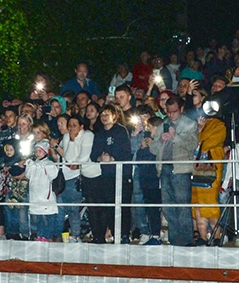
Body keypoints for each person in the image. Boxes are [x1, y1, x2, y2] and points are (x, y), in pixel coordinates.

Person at [154, 95, 199, 246]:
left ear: (181, 109)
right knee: (167, 206)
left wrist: (176, 137)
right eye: (168, 112)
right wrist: (160, 140)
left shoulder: (190, 124)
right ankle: (174, 239)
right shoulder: (162, 125)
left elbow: (192, 145)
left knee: (182, 205)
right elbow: (153, 149)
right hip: (164, 168)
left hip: (181, 169)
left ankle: (186, 240)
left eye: (174, 111)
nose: (171, 115)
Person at [89, 104, 133, 243]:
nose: (104, 117)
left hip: (122, 175)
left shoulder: (121, 131)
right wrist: (100, 158)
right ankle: (114, 233)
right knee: (109, 206)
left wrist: (113, 159)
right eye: (102, 114)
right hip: (106, 175)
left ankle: (124, 234)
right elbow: (93, 155)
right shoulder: (99, 133)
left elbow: (126, 152)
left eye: (107, 114)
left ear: (114, 116)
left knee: (123, 206)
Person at [57, 114, 97, 241]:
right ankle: (63, 234)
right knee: (63, 207)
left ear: (81, 126)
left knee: (74, 208)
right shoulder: (67, 136)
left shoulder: (88, 135)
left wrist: (77, 163)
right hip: (67, 176)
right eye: (70, 125)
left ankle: (76, 235)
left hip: (83, 175)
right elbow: (69, 158)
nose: (71, 128)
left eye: (75, 125)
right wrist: (72, 140)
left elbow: (83, 157)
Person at [191, 113, 226, 245]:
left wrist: (199, 135)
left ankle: (217, 236)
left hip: (212, 169)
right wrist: (199, 129)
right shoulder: (196, 125)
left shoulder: (219, 125)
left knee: (210, 202)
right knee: (197, 204)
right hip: (196, 168)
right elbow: (191, 143)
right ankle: (203, 237)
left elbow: (207, 144)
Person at [133, 113, 163, 244]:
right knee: (149, 207)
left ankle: (156, 234)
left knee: (155, 207)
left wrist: (153, 145)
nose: (147, 129)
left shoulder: (162, 140)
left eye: (150, 127)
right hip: (145, 178)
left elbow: (161, 156)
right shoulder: (145, 140)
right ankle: (151, 233)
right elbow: (139, 160)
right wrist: (141, 148)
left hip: (156, 178)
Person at [24, 139, 61, 240]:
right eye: (36, 151)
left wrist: (40, 167)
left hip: (45, 196)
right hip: (35, 195)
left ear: (45, 152)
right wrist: (30, 165)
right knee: (38, 218)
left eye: (39, 151)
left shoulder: (49, 164)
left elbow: (53, 174)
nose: (37, 154)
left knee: (47, 218)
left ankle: (46, 235)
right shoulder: (33, 164)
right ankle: (40, 235)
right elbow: (28, 175)